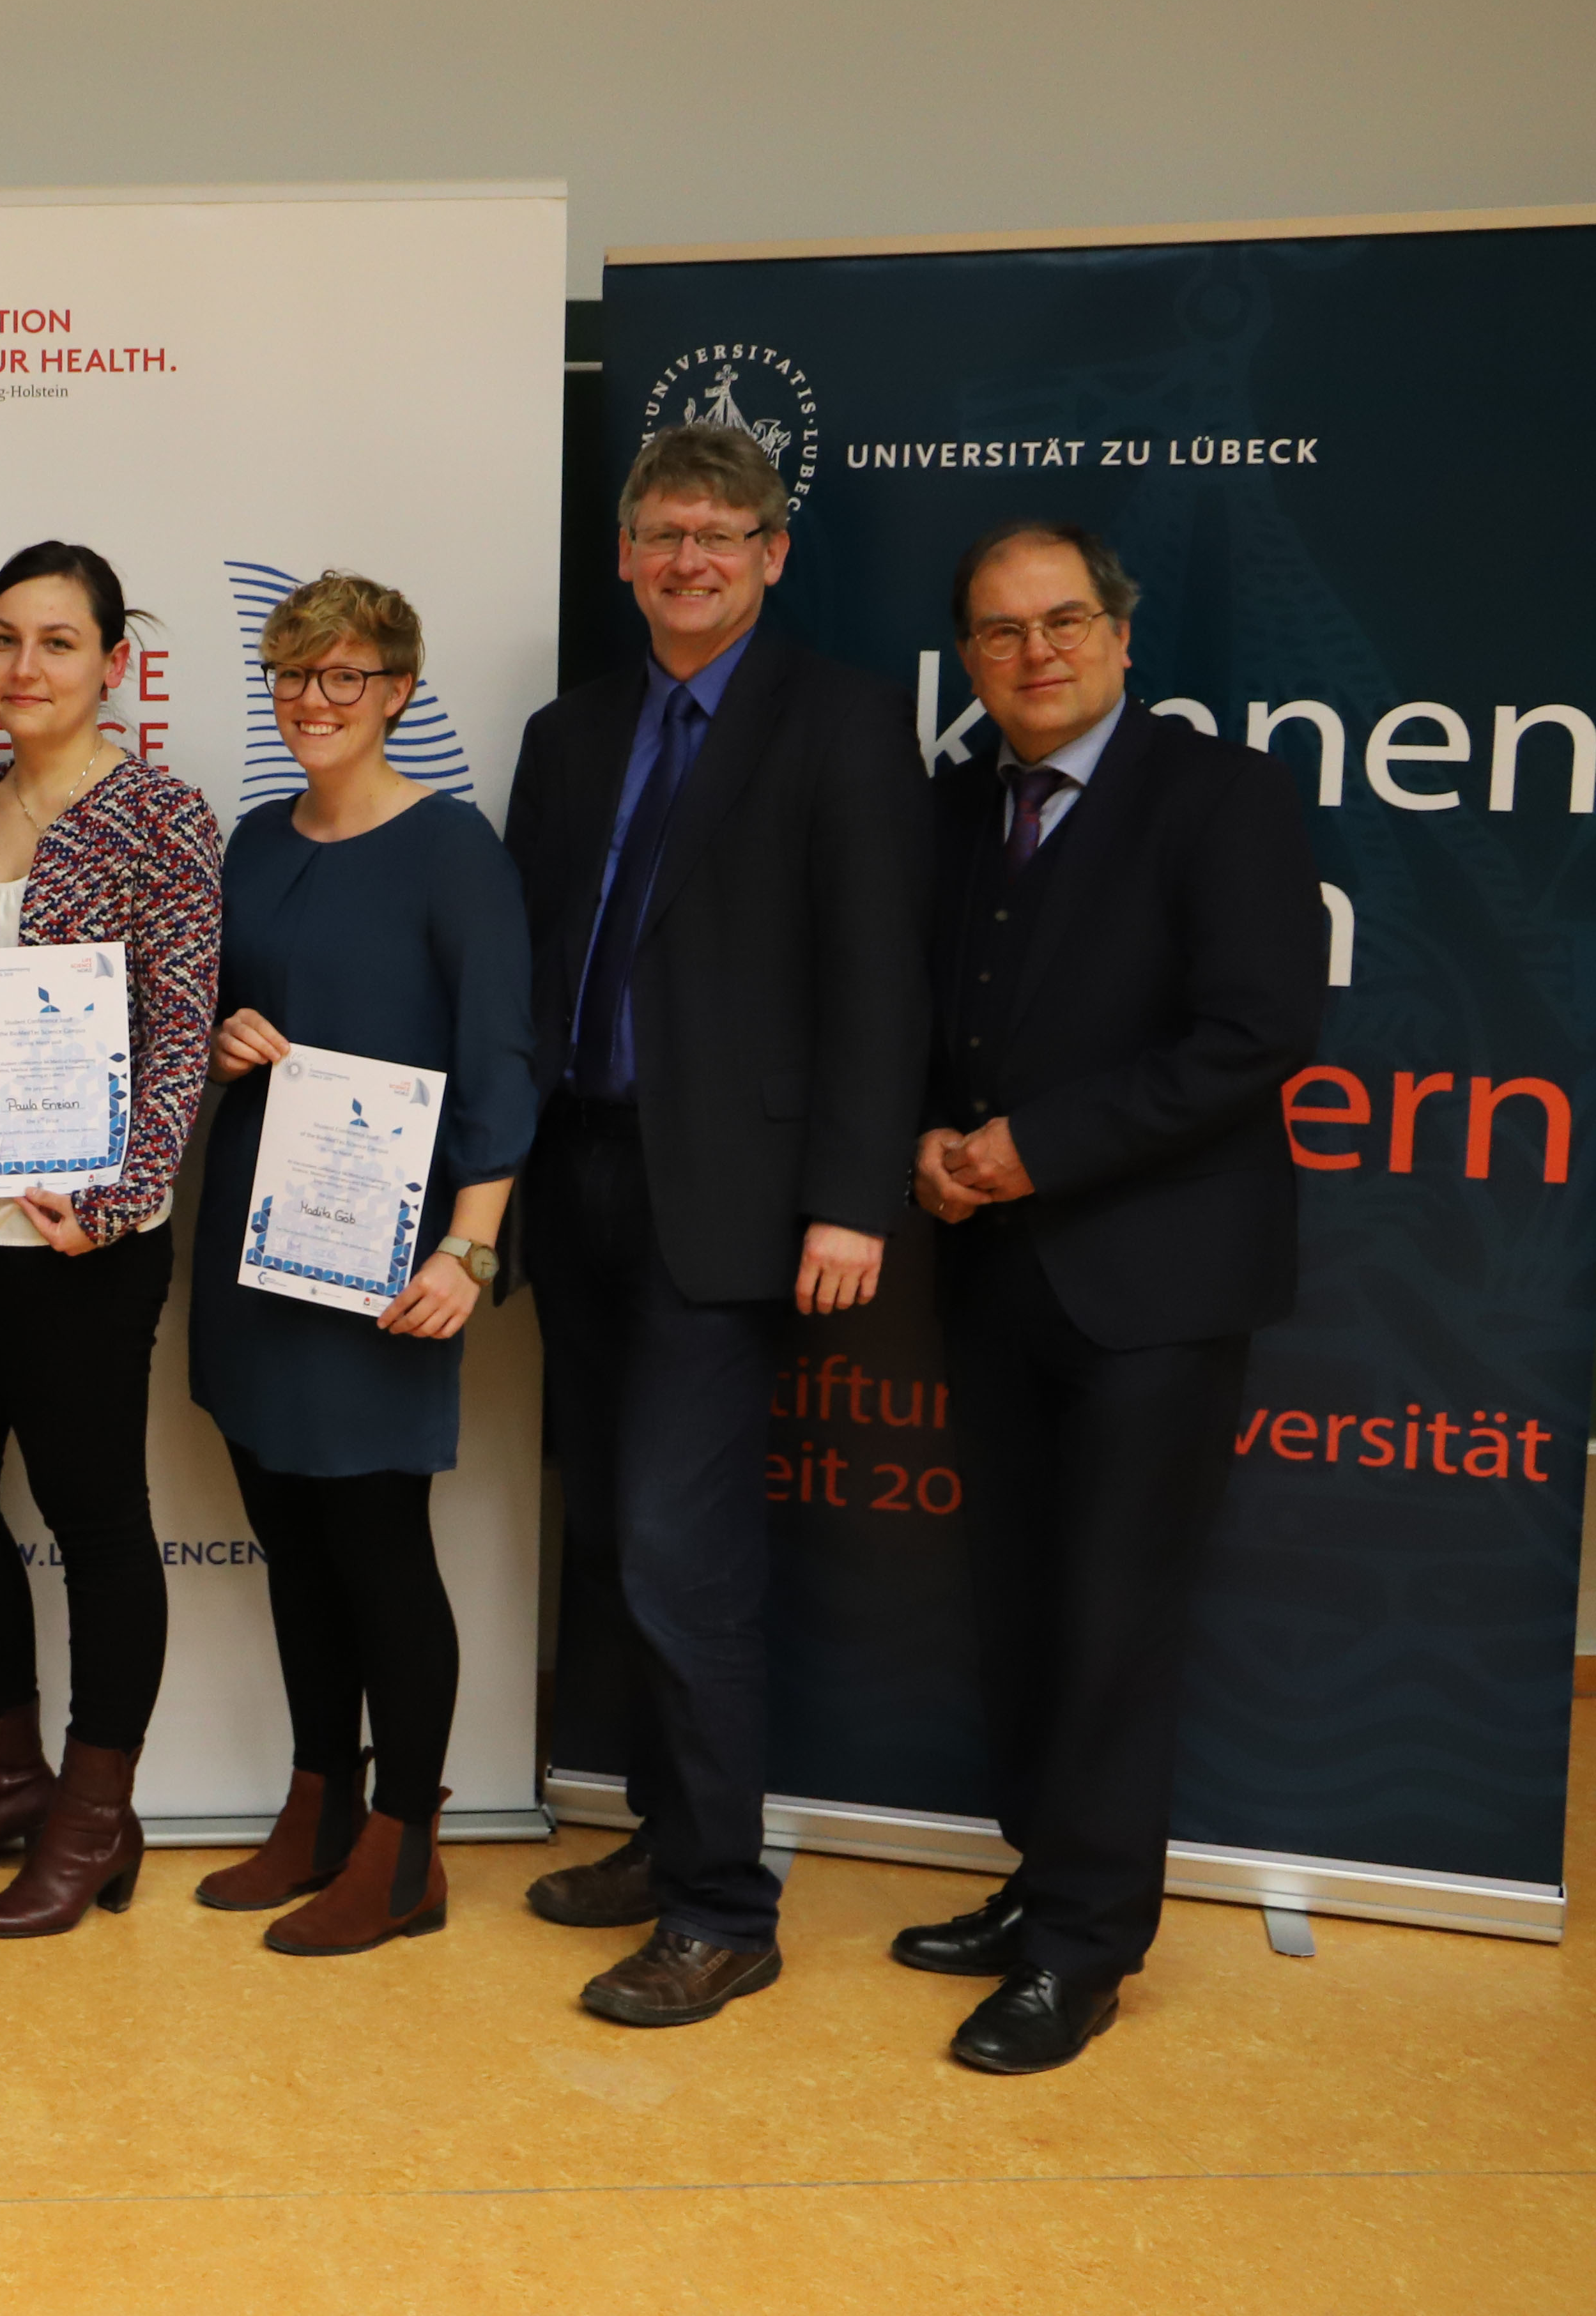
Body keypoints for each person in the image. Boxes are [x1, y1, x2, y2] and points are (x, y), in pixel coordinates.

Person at [503, 424, 928, 2028]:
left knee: (686, 1554)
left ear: (773, 555)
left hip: (734, 1205)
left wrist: (849, 1199)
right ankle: (665, 1834)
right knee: (615, 1538)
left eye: (721, 532)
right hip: (579, 1180)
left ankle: (724, 1910)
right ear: (624, 557)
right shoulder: (568, 734)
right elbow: (533, 965)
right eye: (664, 532)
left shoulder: (843, 723)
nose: (690, 558)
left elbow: (879, 978)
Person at [902, 521, 1323, 2073]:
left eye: (1064, 620)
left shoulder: (1224, 795)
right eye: (1002, 631)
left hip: (1158, 1282)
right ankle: (1042, 1882)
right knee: (1020, 1604)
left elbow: (1258, 1032)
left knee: (1112, 1620)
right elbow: (920, 1015)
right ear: (970, 657)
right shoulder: (954, 807)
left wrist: (1037, 1149)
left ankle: (1084, 1950)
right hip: (993, 1273)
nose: (1037, 652)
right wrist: (923, 1142)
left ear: (1122, 636)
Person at [186, 572, 536, 1956]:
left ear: (398, 690)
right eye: (291, 674)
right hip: (257, 1238)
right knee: (290, 1535)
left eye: (344, 676)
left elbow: (503, 1060)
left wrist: (471, 1248)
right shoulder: (254, 840)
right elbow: (217, 1014)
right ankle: (319, 1799)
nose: (313, 700)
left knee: (380, 1548)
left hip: (389, 1258)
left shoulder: (455, 851)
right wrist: (225, 1042)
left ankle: (406, 1850)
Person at [0, 541, 224, 1940]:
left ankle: (93, 1815)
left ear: (113, 664)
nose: (25, 667)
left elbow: (182, 1030)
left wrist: (124, 1199)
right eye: (4, 638)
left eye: (59, 642)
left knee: (95, 1519)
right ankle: (6, 1773)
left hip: (79, 1232)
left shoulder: (162, 815)